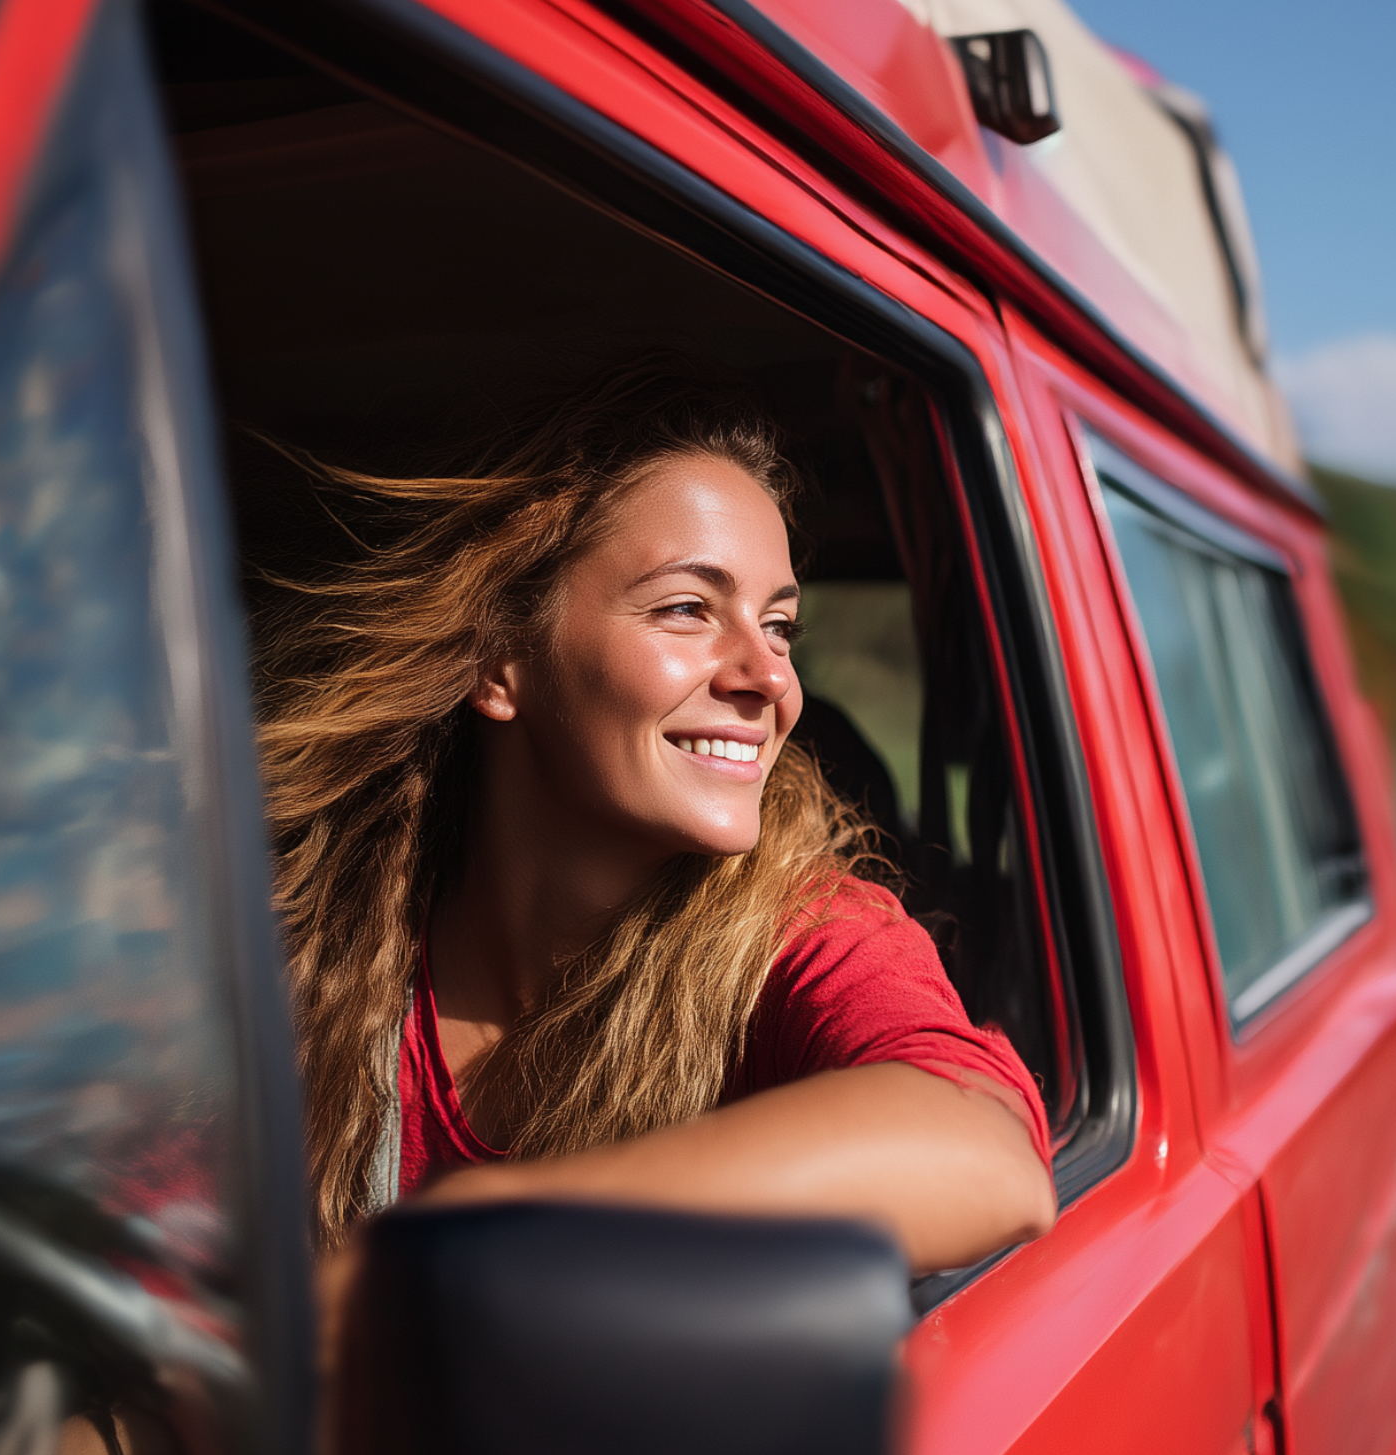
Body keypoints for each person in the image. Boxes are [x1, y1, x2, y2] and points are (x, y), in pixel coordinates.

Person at [253, 362, 1057, 1276]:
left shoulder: (808, 935)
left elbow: (987, 1149)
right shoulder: (317, 940)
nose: (773, 677)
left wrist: (465, 1252)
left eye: (780, 626)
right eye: (687, 609)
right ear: (498, 659)